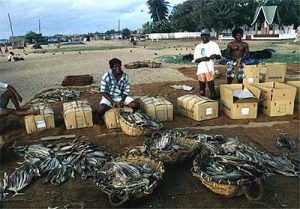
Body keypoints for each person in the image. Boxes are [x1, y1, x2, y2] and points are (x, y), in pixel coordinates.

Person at [97, 58, 139, 125]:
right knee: (101, 108)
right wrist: (112, 101)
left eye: (119, 66)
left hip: (121, 97)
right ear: (111, 68)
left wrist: (122, 100)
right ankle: (99, 118)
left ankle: (134, 117)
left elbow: (126, 90)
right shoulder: (106, 76)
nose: (118, 68)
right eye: (115, 67)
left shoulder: (125, 76)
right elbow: (103, 91)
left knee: (135, 105)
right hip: (109, 97)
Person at [193, 29, 221, 99]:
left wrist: (215, 56)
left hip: (209, 69)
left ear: (209, 36)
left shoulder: (214, 44)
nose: (204, 36)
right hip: (201, 69)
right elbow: (196, 60)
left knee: (211, 88)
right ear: (201, 36)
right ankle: (203, 103)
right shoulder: (198, 46)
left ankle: (213, 103)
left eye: (206, 35)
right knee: (202, 88)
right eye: (203, 35)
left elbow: (219, 56)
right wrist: (203, 58)